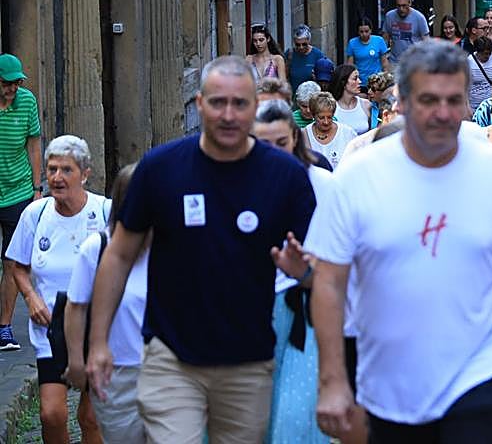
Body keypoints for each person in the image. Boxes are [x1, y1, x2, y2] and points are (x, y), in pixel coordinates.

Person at [306, 40, 492, 443]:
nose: (443, 113)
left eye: (454, 100)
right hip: (386, 385)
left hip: (478, 374)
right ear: (402, 102)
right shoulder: (358, 173)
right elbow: (329, 280)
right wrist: (332, 381)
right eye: (429, 100)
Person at [87, 56, 317, 444]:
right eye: (217, 102)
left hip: (249, 360)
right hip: (171, 357)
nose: (228, 114)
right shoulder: (160, 169)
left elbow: (325, 272)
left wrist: (304, 274)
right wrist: (97, 344)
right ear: (199, 104)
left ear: (255, 106)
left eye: (240, 104)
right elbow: (120, 254)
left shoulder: (286, 177)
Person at [9, 135, 106, 443]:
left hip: (95, 326)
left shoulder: (105, 212)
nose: (56, 177)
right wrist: (30, 296)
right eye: (51, 169)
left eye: (66, 170)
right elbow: (16, 263)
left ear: (85, 173)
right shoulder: (35, 214)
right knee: (51, 414)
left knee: (91, 417)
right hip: (50, 328)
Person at [250, 100, 333, 444]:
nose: (273, 154)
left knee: (294, 419)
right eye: (263, 145)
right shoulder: (236, 181)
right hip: (249, 311)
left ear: (295, 139)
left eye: (280, 144)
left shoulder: (323, 183)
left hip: (305, 311)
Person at [64, 164, 143, 444]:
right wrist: (76, 361)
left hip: (168, 370)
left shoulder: (172, 247)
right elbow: (76, 306)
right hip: (116, 373)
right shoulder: (96, 248)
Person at [0, 53, 41, 352]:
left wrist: (38, 188)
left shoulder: (26, 102)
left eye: (16, 83)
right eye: (7, 83)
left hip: (18, 192)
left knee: (12, 261)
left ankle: (4, 327)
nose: (13, 89)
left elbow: (34, 145)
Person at [383, 0, 430, 65]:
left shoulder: (419, 17)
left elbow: (426, 42)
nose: (401, 9)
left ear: (410, 3)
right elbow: (385, 38)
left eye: (404, 5)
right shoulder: (390, 16)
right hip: (395, 62)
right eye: (398, 6)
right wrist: (384, 59)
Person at [329, 65, 372, 134]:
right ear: (343, 82)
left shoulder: (366, 105)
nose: (360, 82)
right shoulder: (331, 107)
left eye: (359, 78)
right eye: (355, 78)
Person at [286, 25, 328, 92]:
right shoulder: (289, 54)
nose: (301, 47)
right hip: (293, 95)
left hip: (311, 96)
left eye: (304, 44)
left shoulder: (317, 55)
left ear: (309, 41)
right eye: (298, 44)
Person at [467, 37, 492, 112]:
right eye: (485, 54)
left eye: (490, 53)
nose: (488, 56)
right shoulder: (469, 61)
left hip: (491, 103)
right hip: (474, 105)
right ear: (478, 52)